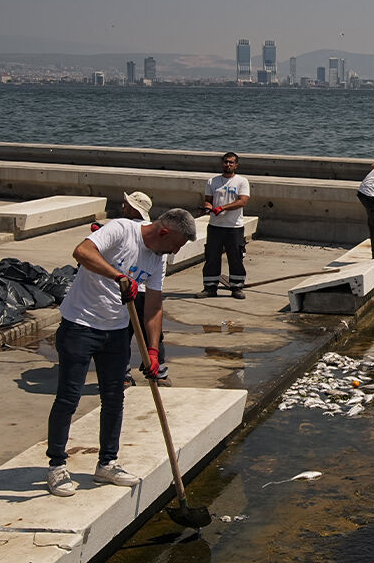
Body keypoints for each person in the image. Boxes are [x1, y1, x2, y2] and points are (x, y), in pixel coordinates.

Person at [46, 208, 196, 497]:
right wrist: (119, 276)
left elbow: (153, 306)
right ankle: (56, 465)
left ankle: (107, 463)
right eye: (176, 245)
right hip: (80, 325)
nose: (175, 251)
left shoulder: (158, 259)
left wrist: (153, 352)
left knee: (114, 398)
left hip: (116, 331)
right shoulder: (122, 230)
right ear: (164, 232)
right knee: (69, 397)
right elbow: (82, 252)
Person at [92, 192, 173, 388]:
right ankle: (152, 371)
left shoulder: (135, 228)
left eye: (127, 205)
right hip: (128, 288)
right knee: (137, 332)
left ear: (135, 209)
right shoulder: (123, 227)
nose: (123, 207)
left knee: (131, 331)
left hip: (140, 289)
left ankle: (132, 372)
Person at [199, 152, 251, 298]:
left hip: (234, 227)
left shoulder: (242, 181)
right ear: (222, 163)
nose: (228, 165)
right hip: (215, 226)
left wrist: (222, 208)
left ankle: (236, 287)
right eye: (226, 162)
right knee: (211, 257)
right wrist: (208, 208)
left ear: (236, 165)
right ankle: (209, 288)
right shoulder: (212, 181)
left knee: (236, 257)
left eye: (231, 162)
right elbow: (207, 200)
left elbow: (243, 201)